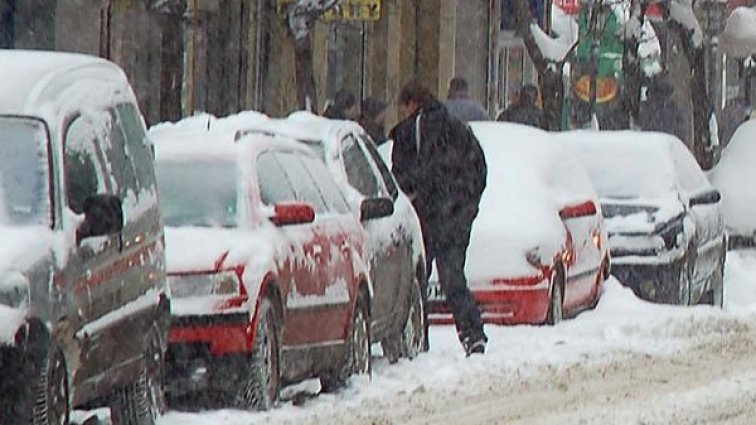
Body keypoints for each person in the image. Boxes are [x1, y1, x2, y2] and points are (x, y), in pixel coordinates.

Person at [389, 80, 488, 356]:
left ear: (411, 104)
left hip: (426, 218)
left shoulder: (410, 132)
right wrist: (465, 205)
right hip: (456, 218)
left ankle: (417, 338)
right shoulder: (457, 128)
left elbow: (401, 180)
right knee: (453, 277)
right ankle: (472, 333)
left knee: (418, 277)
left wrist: (419, 201)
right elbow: (479, 169)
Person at [639, 78, 687, 144]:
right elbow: (680, 129)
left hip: (653, 143)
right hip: (668, 143)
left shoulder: (647, 107)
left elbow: (645, 127)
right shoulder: (672, 108)